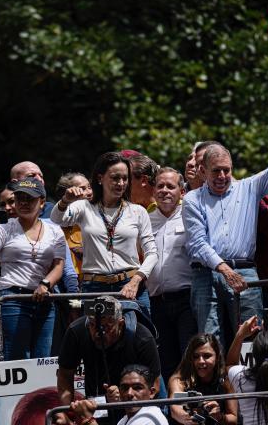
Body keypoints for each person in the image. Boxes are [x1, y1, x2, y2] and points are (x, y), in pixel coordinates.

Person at [182, 123, 268, 350]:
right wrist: (225, 270)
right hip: (206, 274)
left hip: (245, 270)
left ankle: (253, 382)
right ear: (202, 171)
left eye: (227, 169)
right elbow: (198, 242)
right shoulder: (192, 199)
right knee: (209, 339)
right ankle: (217, 385)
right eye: (216, 170)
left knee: (252, 334)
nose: (222, 175)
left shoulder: (249, 188)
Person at [50, 152, 158, 314]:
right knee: (96, 336)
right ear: (100, 179)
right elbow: (58, 219)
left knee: (135, 333)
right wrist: (65, 201)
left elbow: (152, 253)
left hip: (130, 285)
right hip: (94, 287)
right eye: (115, 178)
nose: (121, 183)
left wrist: (136, 280)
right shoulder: (84, 208)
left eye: (125, 178)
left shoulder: (137, 211)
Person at [0, 177, 67, 360]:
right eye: (19, 198)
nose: (23, 203)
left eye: (30, 198)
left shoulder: (55, 230)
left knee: (43, 358)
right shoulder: (4, 228)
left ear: (42, 203)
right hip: (12, 299)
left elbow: (59, 265)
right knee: (16, 357)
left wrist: (45, 284)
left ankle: (40, 390)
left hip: (44, 299)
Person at [56, 297, 161, 425]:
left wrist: (123, 396)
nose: (98, 333)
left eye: (106, 326)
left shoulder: (142, 338)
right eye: (93, 325)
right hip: (95, 400)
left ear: (121, 323)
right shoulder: (76, 331)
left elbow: (154, 385)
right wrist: (69, 413)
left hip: (132, 403)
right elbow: (65, 375)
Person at [147, 168, 197, 382]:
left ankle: (191, 409)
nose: (164, 191)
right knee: (164, 361)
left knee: (189, 358)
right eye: (160, 186)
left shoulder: (191, 216)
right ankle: (169, 412)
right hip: (156, 303)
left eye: (171, 186)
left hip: (186, 300)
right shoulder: (145, 220)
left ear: (182, 191)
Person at [168, 334, 237, 425]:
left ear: (217, 358)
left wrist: (220, 417)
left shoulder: (225, 380)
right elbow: (175, 408)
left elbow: (234, 418)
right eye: (196, 356)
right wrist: (189, 417)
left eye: (207, 356)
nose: (201, 361)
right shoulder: (180, 380)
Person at [66, 364, 168, 425]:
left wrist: (88, 419)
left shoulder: (149, 418)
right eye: (124, 388)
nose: (129, 393)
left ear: (151, 392)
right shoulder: (125, 420)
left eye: (137, 388)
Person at [55, 172, 94, 275]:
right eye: (82, 189)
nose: (89, 192)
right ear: (67, 194)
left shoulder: (98, 218)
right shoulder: (56, 224)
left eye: (89, 187)